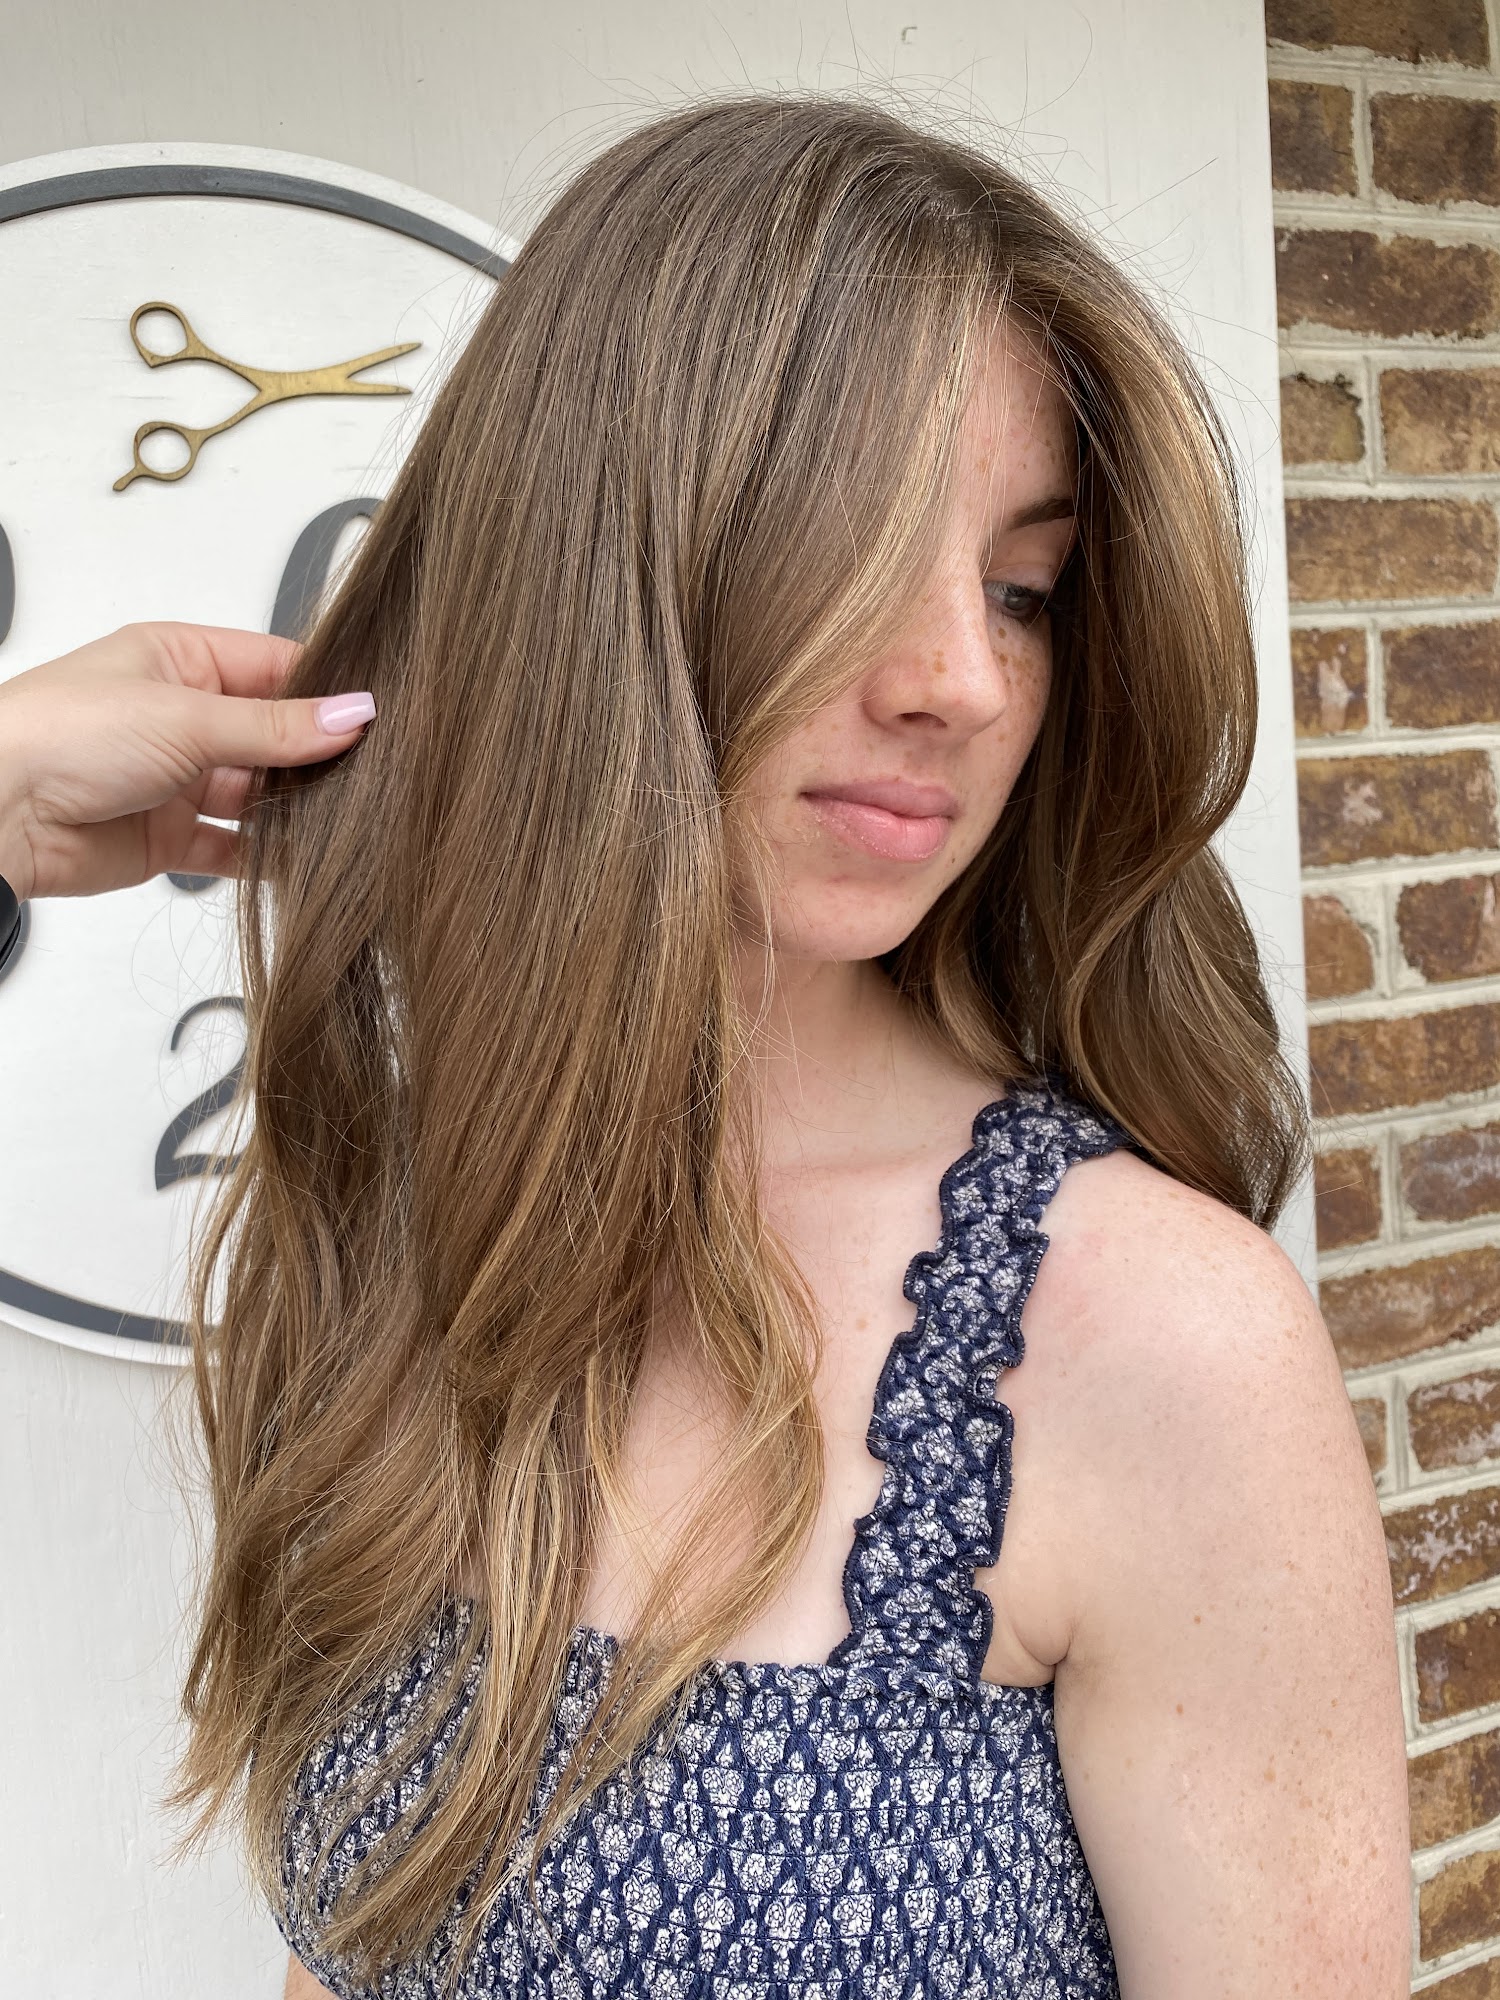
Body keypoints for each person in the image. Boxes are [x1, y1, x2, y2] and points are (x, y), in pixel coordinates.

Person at [2, 94, 1411, 2000]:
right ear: (596, 577)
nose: (964, 680)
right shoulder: (402, 1213)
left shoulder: (1148, 1340)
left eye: (1022, 590)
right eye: (849, 552)